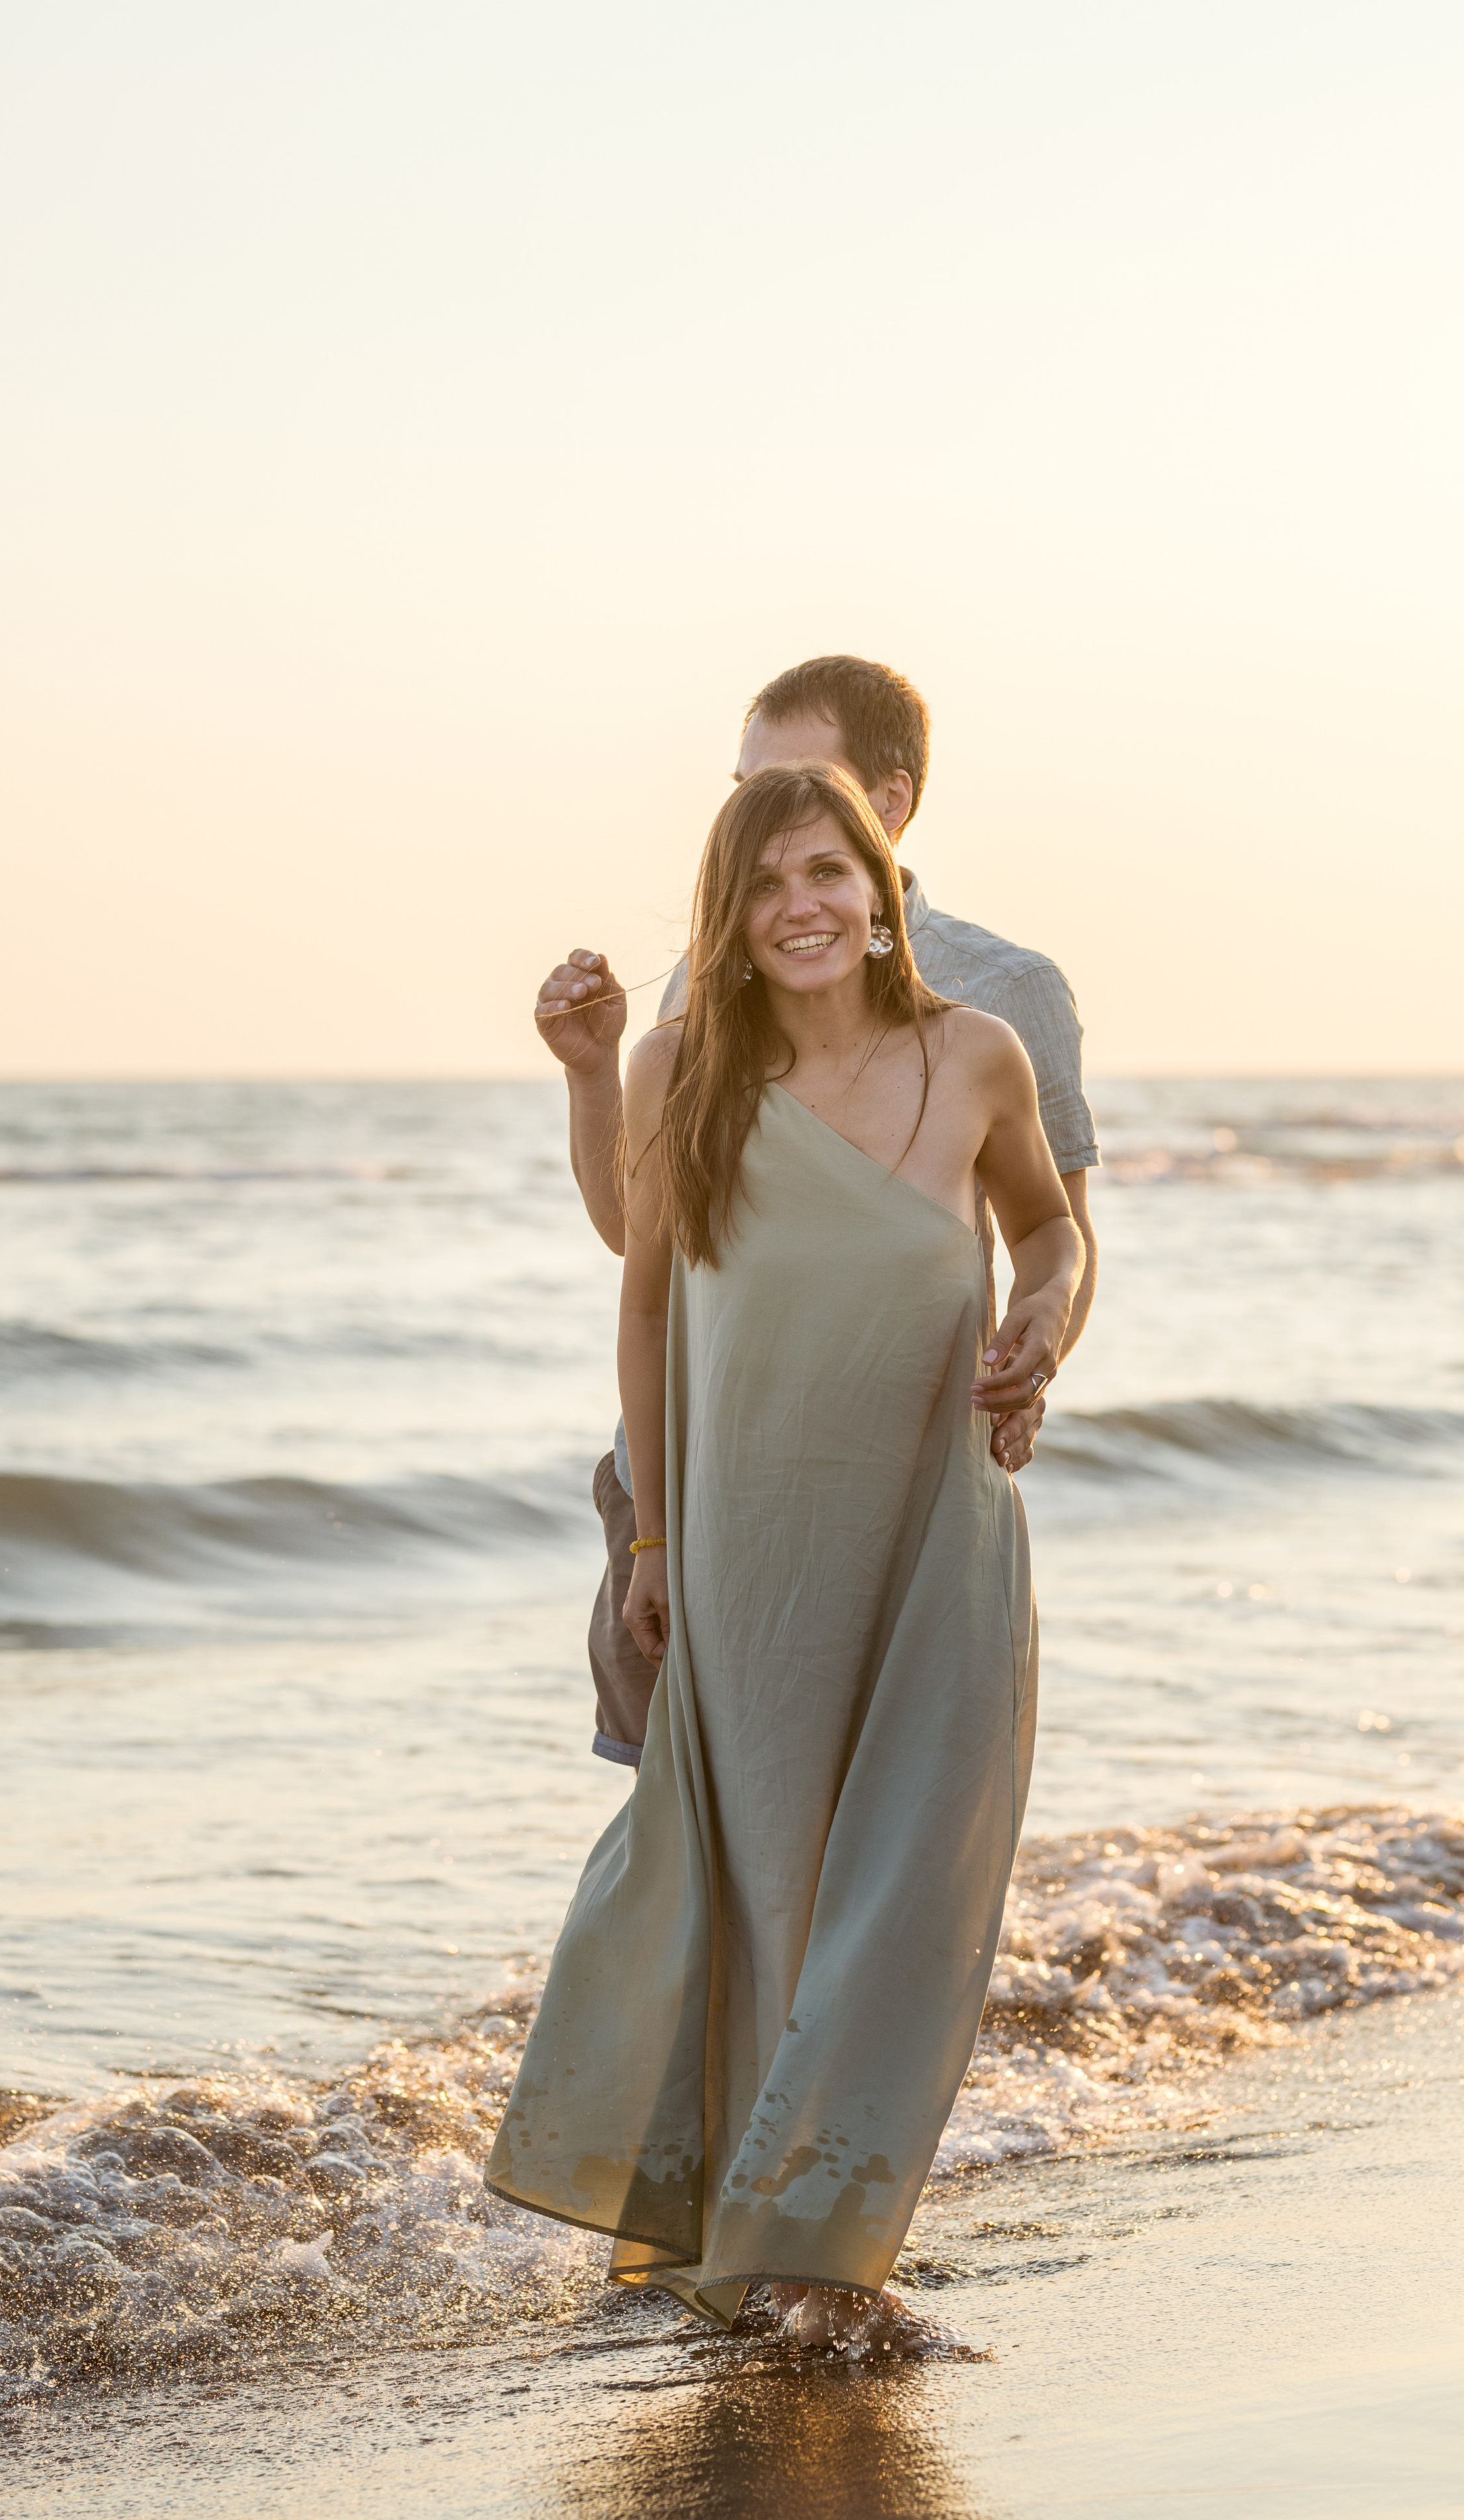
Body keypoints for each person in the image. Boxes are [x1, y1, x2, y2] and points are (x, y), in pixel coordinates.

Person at [487, 761, 1085, 2351]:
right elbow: (642, 1291)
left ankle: (825, 2248)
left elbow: (1047, 1229)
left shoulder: (976, 1053)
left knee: (908, 1884)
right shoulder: (684, 1063)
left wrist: (1043, 1319)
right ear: (728, 917)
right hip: (749, 1542)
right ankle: (761, 2248)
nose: (799, 906)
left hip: (936, 1532)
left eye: (826, 870)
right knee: (766, 1886)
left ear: (879, 887)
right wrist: (651, 1534)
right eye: (763, 884)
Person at [534, 656, 1098, 1766]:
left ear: (888, 802)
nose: (765, 822)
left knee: (898, 1821)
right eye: (743, 791)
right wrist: (593, 1076)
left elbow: (1054, 1235)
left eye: (794, 786)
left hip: (901, 1496)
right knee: (697, 1832)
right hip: (695, 1487)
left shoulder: (1003, 1000)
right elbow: (650, 1255)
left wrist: (1031, 1369)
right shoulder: (711, 977)